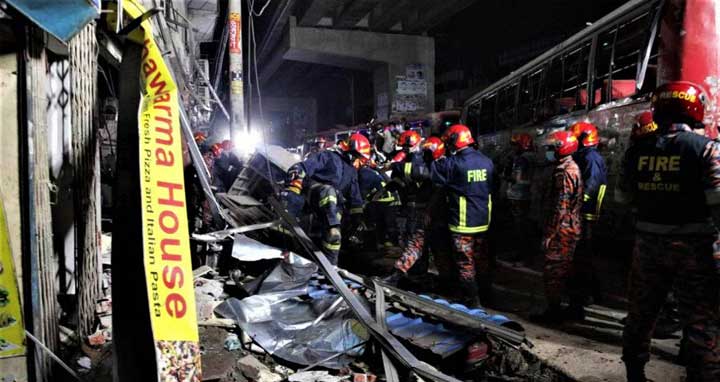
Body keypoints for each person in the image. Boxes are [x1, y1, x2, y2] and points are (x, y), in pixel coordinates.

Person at [616, 81, 720, 381]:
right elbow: (717, 204)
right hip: (696, 250)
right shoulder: (707, 150)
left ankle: (635, 375)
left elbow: (624, 199)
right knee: (701, 321)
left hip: (648, 247)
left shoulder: (635, 152)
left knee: (641, 315)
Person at [431, 124, 494, 307]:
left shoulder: (453, 164)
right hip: (483, 221)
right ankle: (487, 295)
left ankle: (472, 300)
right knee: (482, 259)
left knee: (465, 263)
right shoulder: (486, 161)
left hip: (463, 223)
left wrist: (433, 155)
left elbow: (436, 175)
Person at [283, 133, 370, 265]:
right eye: (360, 158)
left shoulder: (352, 172)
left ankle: (331, 266)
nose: (360, 163)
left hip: (333, 206)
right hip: (315, 193)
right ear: (352, 153)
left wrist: (358, 218)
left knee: (334, 238)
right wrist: (295, 176)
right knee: (328, 192)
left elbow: (355, 198)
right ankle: (332, 227)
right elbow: (305, 167)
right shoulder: (328, 156)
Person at [384, 137, 454, 285]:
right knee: (432, 247)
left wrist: (395, 166)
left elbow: (418, 173)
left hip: (431, 214)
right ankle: (441, 280)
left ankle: (441, 280)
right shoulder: (443, 165)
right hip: (435, 214)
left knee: (426, 246)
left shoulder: (438, 166)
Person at [531, 130, 583, 323]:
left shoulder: (564, 171)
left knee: (554, 272)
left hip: (562, 231)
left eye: (553, 148)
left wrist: (550, 235)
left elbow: (560, 207)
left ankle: (554, 312)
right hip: (569, 228)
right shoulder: (570, 167)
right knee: (567, 270)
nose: (550, 151)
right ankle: (573, 309)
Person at [566, 122, 607, 318]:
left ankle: (583, 297)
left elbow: (591, 185)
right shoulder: (586, 155)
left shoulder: (590, 157)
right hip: (584, 212)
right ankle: (592, 293)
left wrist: (577, 205)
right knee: (585, 256)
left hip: (587, 213)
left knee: (582, 256)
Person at [390, 130, 429, 245]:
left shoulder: (420, 157)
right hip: (410, 200)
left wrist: (395, 166)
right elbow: (397, 178)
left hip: (420, 201)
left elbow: (412, 172)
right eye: (404, 146)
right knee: (410, 230)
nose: (405, 148)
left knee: (415, 232)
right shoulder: (408, 157)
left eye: (408, 146)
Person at [357, 158, 400, 250]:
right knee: (384, 223)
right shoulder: (373, 171)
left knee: (385, 223)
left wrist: (361, 203)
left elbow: (362, 192)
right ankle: (385, 243)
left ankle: (391, 245)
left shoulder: (364, 173)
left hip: (383, 200)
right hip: (388, 199)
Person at [505, 133, 536, 263]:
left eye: (515, 145)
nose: (513, 148)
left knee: (519, 227)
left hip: (518, 196)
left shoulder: (521, 159)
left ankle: (519, 254)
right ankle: (527, 253)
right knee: (525, 226)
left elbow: (517, 178)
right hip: (528, 196)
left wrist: (505, 176)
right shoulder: (533, 157)